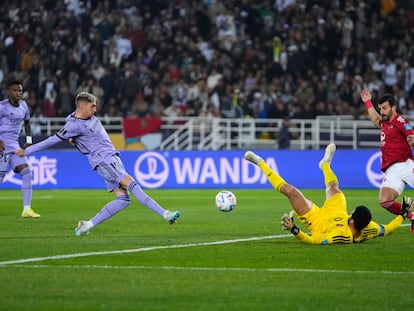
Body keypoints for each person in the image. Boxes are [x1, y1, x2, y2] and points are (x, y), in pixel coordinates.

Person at [15, 91, 180, 236]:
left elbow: (71, 124)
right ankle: (165, 214)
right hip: (103, 160)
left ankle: (86, 225)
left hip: (112, 158)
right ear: (83, 106)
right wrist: (26, 151)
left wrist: (74, 138)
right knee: (131, 183)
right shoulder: (74, 125)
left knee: (123, 200)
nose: (95, 110)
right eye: (93, 106)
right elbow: (52, 140)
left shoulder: (78, 119)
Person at [244, 143, 412, 244]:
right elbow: (388, 229)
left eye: (351, 214)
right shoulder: (369, 228)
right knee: (333, 186)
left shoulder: (340, 236)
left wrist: (294, 229)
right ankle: (325, 164)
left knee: (291, 191)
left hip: (316, 219)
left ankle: (259, 162)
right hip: (336, 210)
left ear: (352, 220)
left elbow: (312, 241)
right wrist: (403, 214)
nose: (350, 214)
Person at [360, 88, 414, 232]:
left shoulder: (401, 121)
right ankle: (412, 215)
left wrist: (412, 140)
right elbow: (375, 119)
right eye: (380, 109)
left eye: (385, 108)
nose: (382, 112)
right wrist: (367, 102)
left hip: (406, 165)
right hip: (391, 170)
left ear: (393, 108)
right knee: (385, 201)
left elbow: (411, 135)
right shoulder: (384, 124)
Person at [0, 79, 40, 218]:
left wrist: (28, 141)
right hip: (2, 147)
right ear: (8, 92)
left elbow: (27, 123)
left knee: (27, 172)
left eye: (20, 91)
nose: (18, 93)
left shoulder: (23, 106)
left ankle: (27, 209)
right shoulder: (2, 106)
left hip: (15, 147)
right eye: (15, 90)